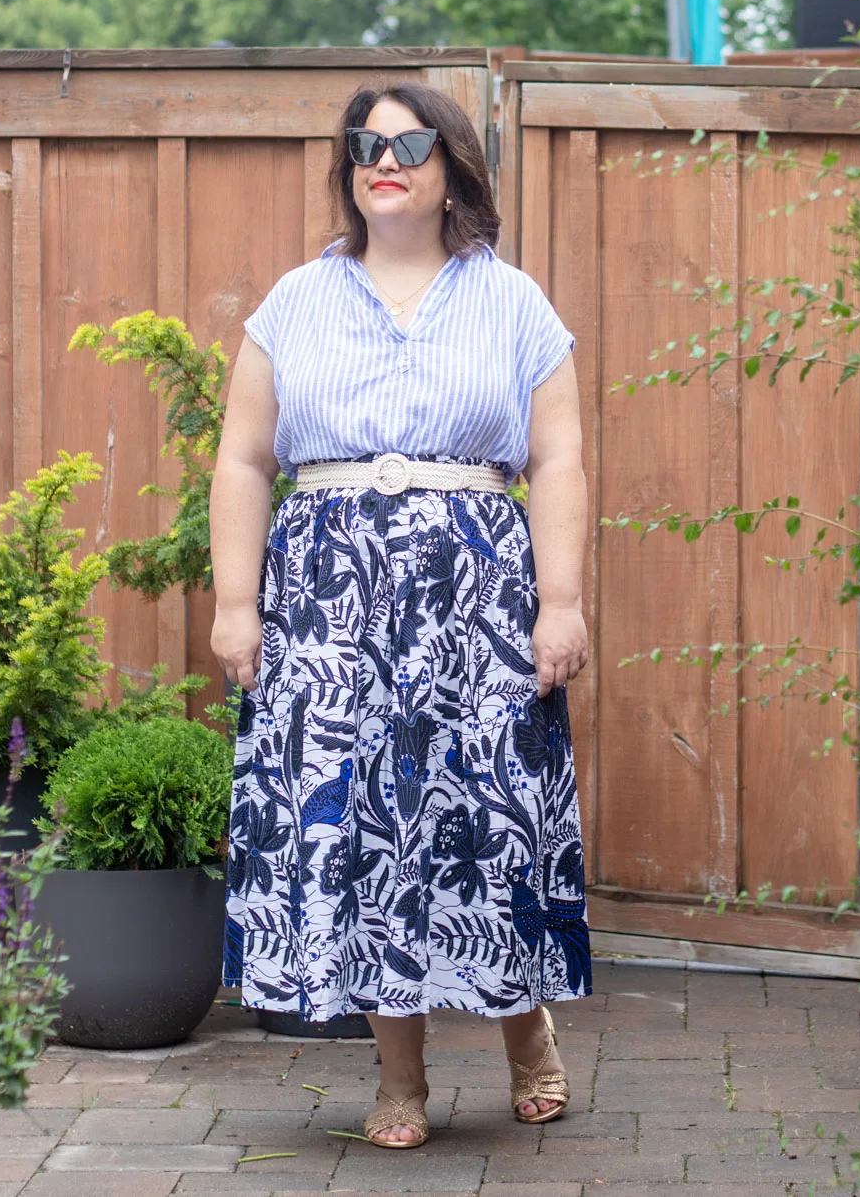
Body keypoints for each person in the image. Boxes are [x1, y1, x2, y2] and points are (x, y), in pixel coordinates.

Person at [209, 81, 591, 1150]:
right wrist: (236, 605)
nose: (386, 159)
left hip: (475, 599)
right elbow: (242, 460)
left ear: (452, 164)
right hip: (327, 605)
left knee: (486, 820)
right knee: (362, 828)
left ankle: (528, 1040)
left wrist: (557, 604)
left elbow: (557, 458)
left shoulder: (512, 302)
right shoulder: (295, 300)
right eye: (366, 146)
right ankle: (401, 1081)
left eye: (410, 142)